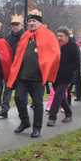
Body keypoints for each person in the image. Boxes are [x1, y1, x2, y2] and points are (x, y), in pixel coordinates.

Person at [7, 9, 60, 138]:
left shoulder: (48, 35)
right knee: (18, 98)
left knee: (37, 103)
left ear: (40, 23)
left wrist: (46, 68)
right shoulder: (25, 35)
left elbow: (55, 53)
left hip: (37, 78)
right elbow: (19, 54)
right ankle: (25, 122)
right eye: (29, 21)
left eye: (34, 21)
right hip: (22, 76)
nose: (31, 23)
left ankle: (37, 128)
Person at [47, 27, 79, 126]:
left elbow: (76, 63)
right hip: (55, 76)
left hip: (67, 77)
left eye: (61, 36)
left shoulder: (73, 47)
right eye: (58, 36)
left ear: (67, 36)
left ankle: (52, 117)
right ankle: (68, 113)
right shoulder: (55, 46)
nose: (59, 38)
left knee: (57, 96)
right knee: (60, 97)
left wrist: (68, 71)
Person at [0, 14, 25, 118]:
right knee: (7, 90)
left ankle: (23, 111)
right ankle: (4, 110)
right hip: (10, 68)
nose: (14, 26)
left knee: (21, 93)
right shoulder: (8, 37)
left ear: (21, 25)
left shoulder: (25, 37)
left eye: (17, 24)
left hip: (21, 68)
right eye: (13, 24)